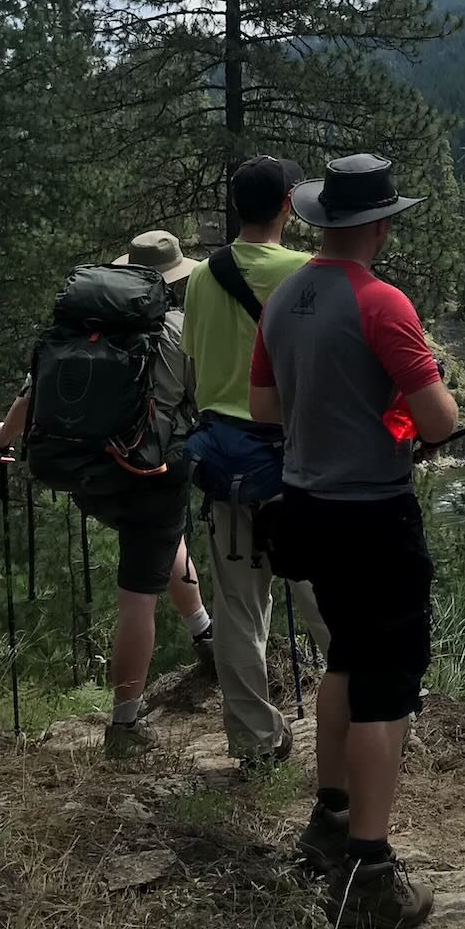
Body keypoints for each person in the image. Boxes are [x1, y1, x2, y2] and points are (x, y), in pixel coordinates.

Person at [248, 154, 456, 929]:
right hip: (374, 517)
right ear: (378, 224)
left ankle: (329, 819)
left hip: (306, 507)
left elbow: (265, 407)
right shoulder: (382, 304)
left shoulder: (284, 295)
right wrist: (408, 399)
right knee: (387, 682)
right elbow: (436, 421)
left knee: (343, 654)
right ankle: (369, 870)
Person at [0, 230, 214, 759]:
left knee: (161, 543)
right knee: (138, 594)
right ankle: (125, 726)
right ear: (174, 279)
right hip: (151, 474)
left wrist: (1, 442)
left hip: (85, 472)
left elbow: (32, 393)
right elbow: (204, 397)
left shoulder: (78, 328)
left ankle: (206, 637)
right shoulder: (179, 330)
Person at [181, 156, 331, 769]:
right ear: (289, 204)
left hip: (224, 461)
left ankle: (253, 740)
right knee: (326, 596)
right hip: (295, 464)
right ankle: (375, 712)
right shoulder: (305, 274)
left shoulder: (201, 277)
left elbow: (192, 372)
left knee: (239, 610)